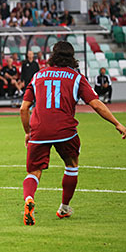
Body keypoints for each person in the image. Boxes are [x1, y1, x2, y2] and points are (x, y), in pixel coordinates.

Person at [20, 40, 126, 226]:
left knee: (33, 171)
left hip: (39, 129)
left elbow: (24, 108)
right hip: (65, 131)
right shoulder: (76, 77)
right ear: (72, 57)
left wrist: (28, 132)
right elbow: (96, 104)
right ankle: (64, 207)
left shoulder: (38, 76)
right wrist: (117, 124)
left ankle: (29, 200)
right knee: (71, 165)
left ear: (52, 56)